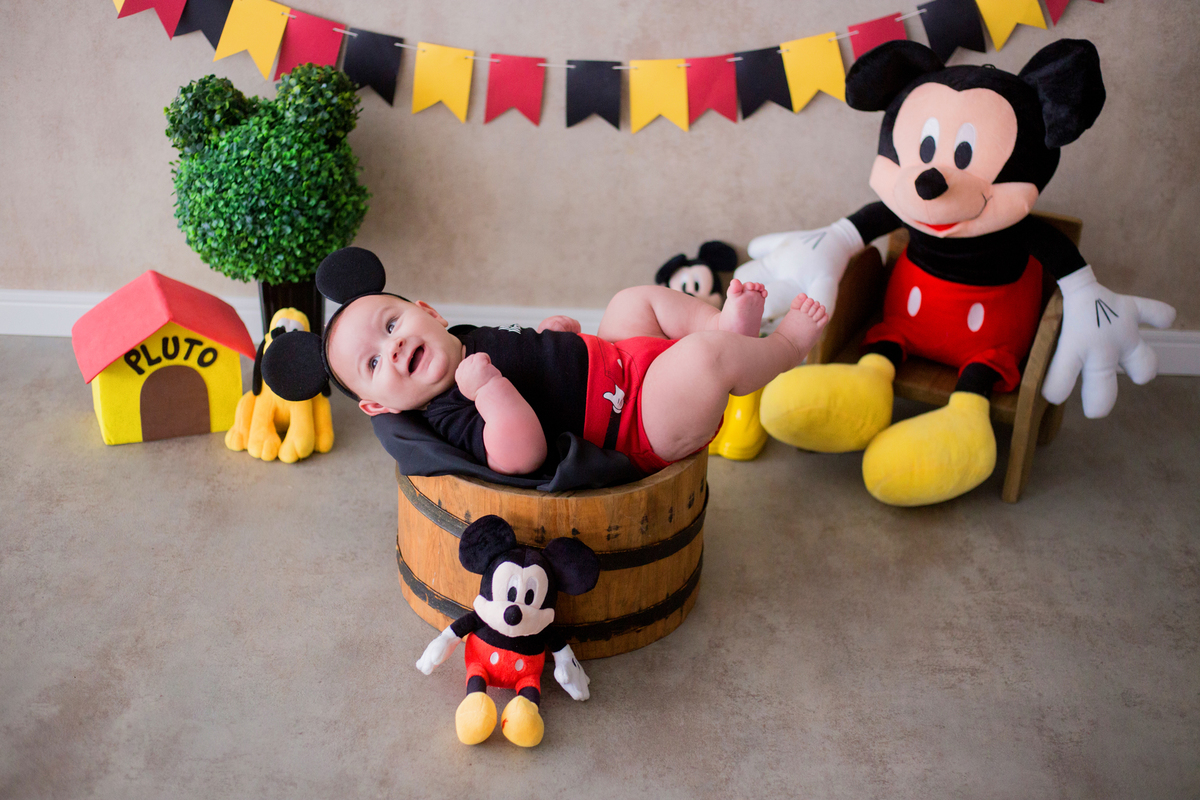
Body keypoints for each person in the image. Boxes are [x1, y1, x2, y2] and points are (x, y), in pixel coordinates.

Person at [265, 247, 829, 477]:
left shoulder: (460, 337)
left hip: (617, 359)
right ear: (374, 403)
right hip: (632, 421)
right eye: (372, 363)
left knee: (632, 300)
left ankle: (723, 327)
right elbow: (520, 455)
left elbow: (528, 359)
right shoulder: (449, 409)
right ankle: (782, 349)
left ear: (427, 311)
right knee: (704, 362)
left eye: (392, 325)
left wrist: (547, 337)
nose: (391, 347)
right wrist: (488, 390)